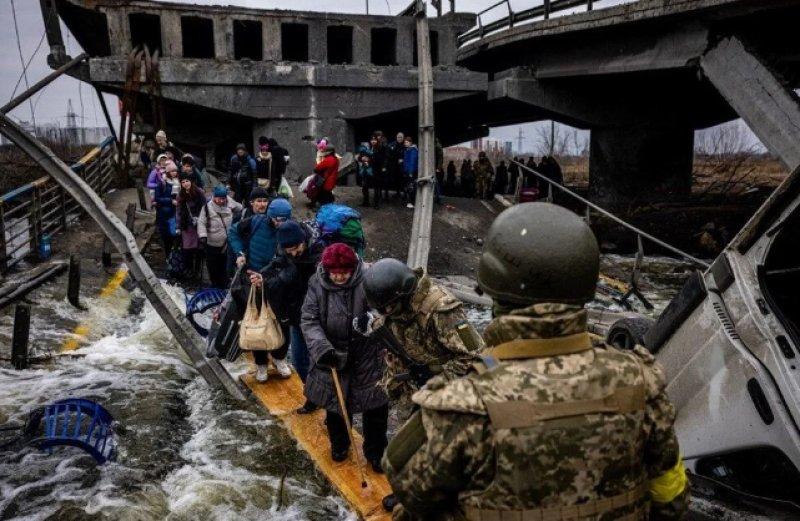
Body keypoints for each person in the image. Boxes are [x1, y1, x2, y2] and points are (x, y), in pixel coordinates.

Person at [384, 202, 689, 520]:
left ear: (494, 291)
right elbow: (672, 498)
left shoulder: (465, 404)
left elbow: (408, 487)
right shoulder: (641, 381)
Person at [301, 243, 389, 468]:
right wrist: (322, 349)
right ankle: (339, 444)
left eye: (344, 273)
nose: (339, 277)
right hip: (332, 354)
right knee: (336, 405)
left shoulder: (370, 279)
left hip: (368, 355)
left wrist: (371, 319)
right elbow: (309, 319)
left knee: (375, 408)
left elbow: (385, 310)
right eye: (335, 273)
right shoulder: (316, 283)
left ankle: (376, 453)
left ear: (353, 268)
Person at [361, 258, 485, 411]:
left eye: (390, 307)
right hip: (411, 398)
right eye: (381, 309)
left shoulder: (443, 309)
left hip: (447, 397)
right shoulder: (394, 308)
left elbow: (475, 354)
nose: (386, 313)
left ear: (404, 295)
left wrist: (437, 379)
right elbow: (386, 323)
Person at [229, 194, 294, 382]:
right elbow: (233, 232)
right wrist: (239, 253)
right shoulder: (255, 221)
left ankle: (280, 359)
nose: (279, 223)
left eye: (284, 219)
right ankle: (261, 364)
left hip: (277, 282)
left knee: (282, 321)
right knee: (257, 322)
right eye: (276, 219)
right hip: (253, 281)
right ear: (269, 216)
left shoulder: (290, 229)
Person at [260, 220, 325, 387]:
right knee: (299, 359)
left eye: (296, 249)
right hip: (296, 315)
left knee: (319, 359)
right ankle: (307, 391)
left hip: (317, 316)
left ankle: (319, 392)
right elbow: (272, 269)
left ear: (302, 241)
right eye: (289, 251)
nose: (294, 254)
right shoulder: (284, 253)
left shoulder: (318, 253)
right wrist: (262, 277)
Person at [198, 185, 242, 289]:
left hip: (227, 244)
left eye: (224, 198)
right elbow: (201, 222)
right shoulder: (207, 208)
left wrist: (231, 203)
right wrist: (203, 235)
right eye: (220, 198)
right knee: (213, 267)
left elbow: (240, 208)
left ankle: (224, 286)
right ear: (214, 197)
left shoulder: (229, 204)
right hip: (211, 244)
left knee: (225, 267)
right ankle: (215, 285)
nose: (222, 201)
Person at [176, 172, 206, 280]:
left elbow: (205, 208)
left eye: (187, 181)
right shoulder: (180, 195)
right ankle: (188, 272)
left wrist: (200, 218)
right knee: (187, 250)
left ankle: (197, 272)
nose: (185, 184)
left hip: (199, 225)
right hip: (187, 226)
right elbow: (178, 211)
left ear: (191, 181)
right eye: (183, 182)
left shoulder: (199, 192)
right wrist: (178, 227)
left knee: (199, 250)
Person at [153, 161, 179, 255]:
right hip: (164, 214)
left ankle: (174, 257)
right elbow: (157, 198)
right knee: (166, 237)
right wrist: (170, 201)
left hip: (175, 213)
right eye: (172, 171)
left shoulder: (177, 182)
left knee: (174, 236)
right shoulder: (161, 183)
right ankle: (168, 257)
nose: (174, 173)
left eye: (175, 171)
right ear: (168, 172)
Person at [387, 132, 405, 198]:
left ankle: (404, 194)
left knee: (403, 180)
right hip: (394, 166)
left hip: (403, 166)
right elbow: (389, 154)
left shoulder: (405, 145)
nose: (399, 138)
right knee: (396, 180)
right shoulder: (392, 144)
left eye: (401, 137)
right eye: (398, 137)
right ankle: (397, 193)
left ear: (403, 138)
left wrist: (403, 159)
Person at [402, 136, 418, 208]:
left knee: (411, 187)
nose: (405, 143)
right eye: (405, 142)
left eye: (407, 142)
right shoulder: (407, 150)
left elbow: (412, 162)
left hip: (411, 172)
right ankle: (410, 201)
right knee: (408, 186)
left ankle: (412, 202)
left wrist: (411, 172)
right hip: (407, 171)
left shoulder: (413, 150)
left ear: (410, 143)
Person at [357, 142, 374, 207]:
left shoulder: (370, 152)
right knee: (364, 188)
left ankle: (367, 202)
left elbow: (373, 159)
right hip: (364, 171)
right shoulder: (364, 152)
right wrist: (362, 159)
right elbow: (359, 158)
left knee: (366, 187)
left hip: (368, 171)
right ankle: (365, 202)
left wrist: (368, 160)